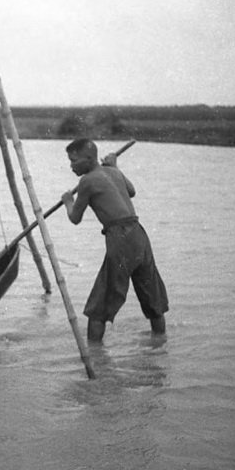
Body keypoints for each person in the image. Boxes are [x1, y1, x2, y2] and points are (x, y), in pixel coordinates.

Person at [60, 138, 168, 343]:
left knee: (100, 305)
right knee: (152, 296)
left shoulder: (87, 181)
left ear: (89, 158)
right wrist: (115, 167)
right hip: (139, 234)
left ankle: (94, 355)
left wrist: (68, 202)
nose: (71, 166)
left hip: (121, 237)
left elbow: (75, 218)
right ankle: (160, 344)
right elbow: (131, 191)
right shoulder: (114, 172)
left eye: (74, 161)